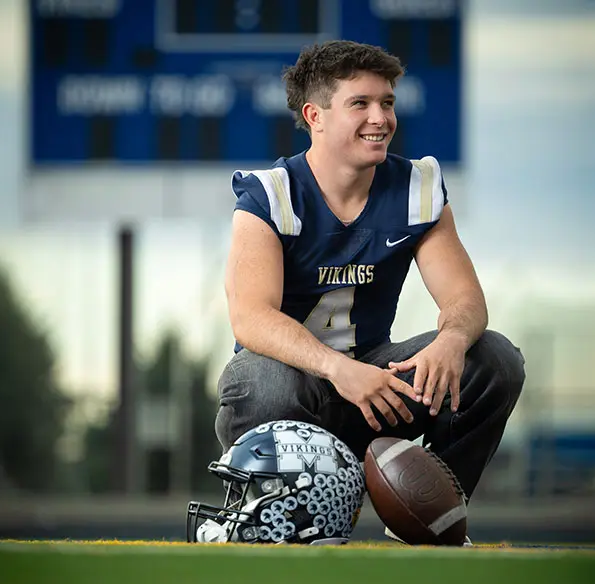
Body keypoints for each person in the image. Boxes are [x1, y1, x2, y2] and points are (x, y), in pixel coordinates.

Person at [215, 40, 526, 513]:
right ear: (315, 116)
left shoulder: (416, 188)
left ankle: (429, 513)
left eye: (387, 103)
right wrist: (338, 369)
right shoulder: (271, 194)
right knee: (263, 380)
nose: (380, 118)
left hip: (380, 390)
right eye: (360, 103)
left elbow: (465, 299)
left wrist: (451, 340)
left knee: (492, 358)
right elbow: (250, 318)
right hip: (294, 394)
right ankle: (280, 516)